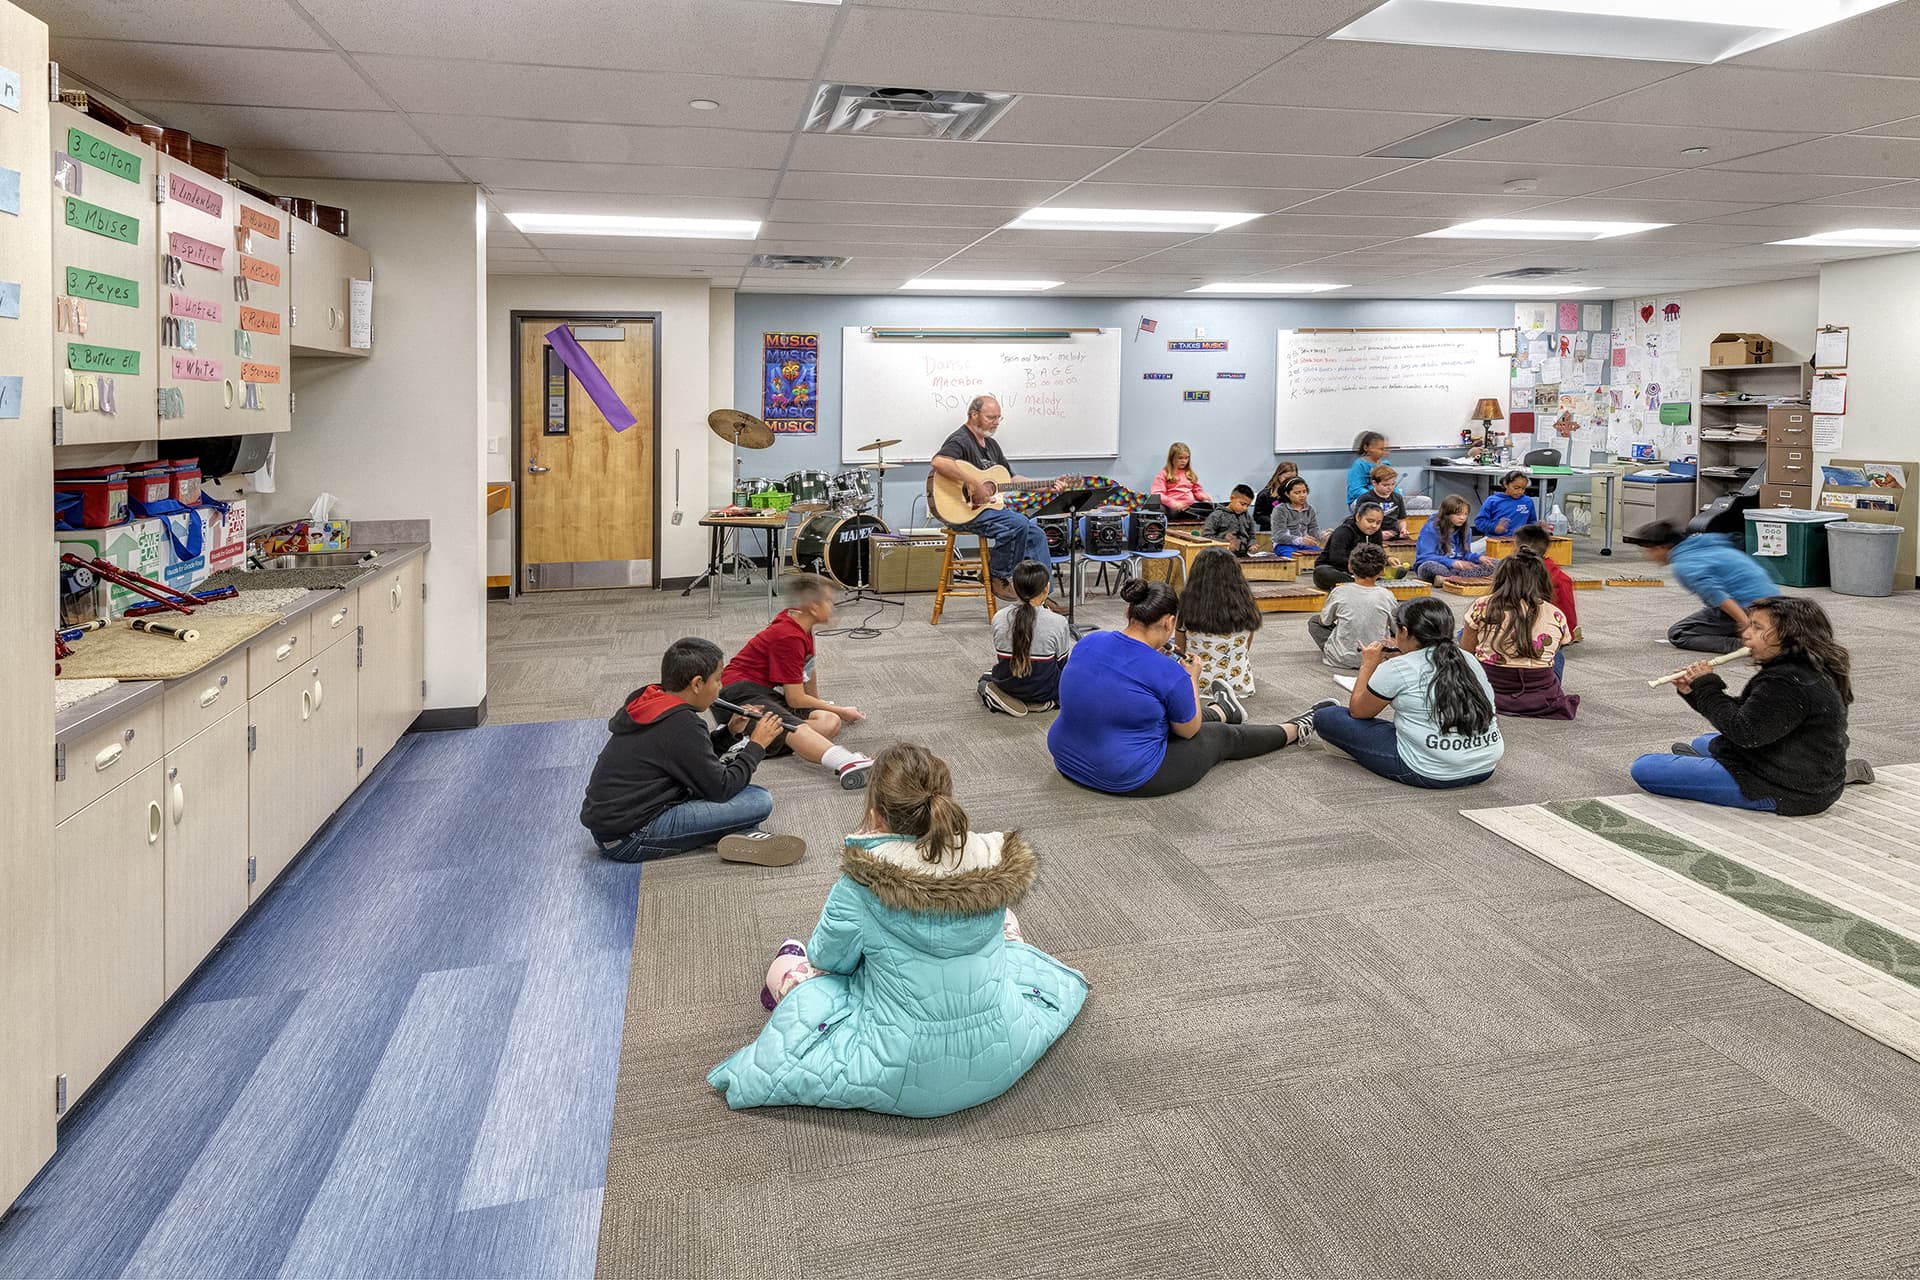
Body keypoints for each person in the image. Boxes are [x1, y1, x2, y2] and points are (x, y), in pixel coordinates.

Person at [707, 743, 1088, 1117]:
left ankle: (783, 981)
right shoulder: (990, 866)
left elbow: (829, 960)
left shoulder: (860, 885)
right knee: (1003, 926)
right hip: (1004, 1050)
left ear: (876, 817)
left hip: (901, 1069)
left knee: (795, 960)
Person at [1048, 578, 1326, 797]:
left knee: (1153, 710)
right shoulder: (1169, 671)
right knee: (1219, 736)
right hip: (1126, 775)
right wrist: (1191, 678)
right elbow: (1188, 730)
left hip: (1066, 758)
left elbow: (1112, 688)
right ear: (1169, 622)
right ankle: (1295, 728)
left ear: (1128, 612)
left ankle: (1222, 709)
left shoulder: (1088, 641)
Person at [1632, 597, 1874, 814]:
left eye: (1757, 627)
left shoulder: (1787, 681)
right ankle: (1710, 765)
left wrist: (1707, 687)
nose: (1746, 634)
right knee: (1704, 742)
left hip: (1788, 789)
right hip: (1804, 763)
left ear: (1789, 635)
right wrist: (1694, 692)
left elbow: (1744, 733)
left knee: (1645, 767)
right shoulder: (1810, 666)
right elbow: (1754, 715)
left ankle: (1715, 769)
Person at [580, 637, 806, 865]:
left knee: (730, 789)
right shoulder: (682, 724)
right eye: (717, 679)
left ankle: (737, 832)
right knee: (758, 800)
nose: (721, 687)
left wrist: (730, 732)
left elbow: (690, 759)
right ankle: (738, 831)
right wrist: (756, 745)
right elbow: (722, 788)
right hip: (631, 837)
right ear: (697, 684)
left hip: (620, 823)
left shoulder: (652, 701)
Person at [1313, 597, 1504, 789]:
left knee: (1327, 716)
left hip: (1429, 771)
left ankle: (1355, 751)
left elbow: (1359, 711)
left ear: (1404, 631)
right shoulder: (1467, 658)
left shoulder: (1398, 667)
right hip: (1484, 766)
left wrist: (1368, 665)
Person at [721, 573, 873, 788]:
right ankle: (844, 761)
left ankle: (755, 737)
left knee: (829, 722)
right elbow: (795, 699)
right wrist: (841, 709)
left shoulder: (801, 623)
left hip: (765, 692)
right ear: (814, 607)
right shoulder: (788, 636)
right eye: (829, 601)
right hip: (739, 692)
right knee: (793, 726)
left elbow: (808, 669)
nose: (833, 607)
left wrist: (822, 705)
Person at [929, 394, 1066, 602]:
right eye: (990, 417)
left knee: (1037, 534)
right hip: (965, 511)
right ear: (974, 415)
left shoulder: (991, 445)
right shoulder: (961, 439)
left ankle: (1041, 595)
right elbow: (939, 462)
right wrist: (975, 484)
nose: (995, 423)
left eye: (998, 418)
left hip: (988, 511)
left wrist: (1045, 487)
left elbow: (1010, 479)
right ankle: (997, 575)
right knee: (1018, 523)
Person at [1624, 519, 1778, 654]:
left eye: (1648, 551)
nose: (1647, 556)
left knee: (1679, 633)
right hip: (1773, 603)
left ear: (1662, 548)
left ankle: (1748, 644)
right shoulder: (1704, 543)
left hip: (1751, 608)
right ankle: (1763, 632)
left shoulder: (1685, 565)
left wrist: (1746, 625)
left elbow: (1719, 596)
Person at [1460, 552, 1578, 719]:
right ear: (1541, 581)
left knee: (1464, 636)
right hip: (1541, 696)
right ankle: (1533, 697)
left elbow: (1466, 651)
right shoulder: (1555, 613)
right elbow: (1558, 647)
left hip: (1490, 690)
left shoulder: (1482, 605)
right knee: (1558, 656)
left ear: (1501, 578)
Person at [979, 559, 1072, 716]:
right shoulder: (1059, 622)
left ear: (1014, 587)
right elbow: (1062, 664)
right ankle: (1044, 703)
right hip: (1046, 691)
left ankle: (999, 696)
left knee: (984, 679)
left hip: (1009, 686)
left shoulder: (999, 617)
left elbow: (1003, 657)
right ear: (1046, 588)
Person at [1176, 545, 1263, 703]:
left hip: (1196, 683)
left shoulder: (1188, 604)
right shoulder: (1246, 603)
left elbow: (1180, 648)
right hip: (1240, 684)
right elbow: (1246, 645)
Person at [1309, 543, 1395, 670]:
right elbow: (1396, 628)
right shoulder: (1387, 595)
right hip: (1376, 659)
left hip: (1340, 659)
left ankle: (1337, 650)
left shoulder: (1339, 591)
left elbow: (1325, 621)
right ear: (1382, 571)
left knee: (1314, 621)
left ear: (1350, 567)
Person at [1513, 522, 1579, 642]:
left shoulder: (1517, 571)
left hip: (1526, 634)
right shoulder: (1558, 574)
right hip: (1557, 634)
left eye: (1514, 545)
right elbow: (1568, 612)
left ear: (1520, 549)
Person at [1413, 494, 1494, 583]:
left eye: (1465, 514)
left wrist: (1478, 558)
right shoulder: (1430, 529)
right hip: (1435, 566)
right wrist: (1452, 563)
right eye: (1458, 514)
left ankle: (1447, 579)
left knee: (1494, 563)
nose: (1462, 518)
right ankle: (1455, 577)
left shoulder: (1467, 530)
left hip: (1457, 569)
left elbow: (1465, 554)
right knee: (1430, 566)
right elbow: (1425, 557)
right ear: (1447, 514)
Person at [1314, 501, 1388, 591]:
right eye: (1370, 521)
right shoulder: (1344, 531)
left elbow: (1378, 555)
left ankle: (1362, 583)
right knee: (1322, 571)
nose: (1374, 526)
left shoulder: (1377, 533)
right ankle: (1362, 583)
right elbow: (1336, 558)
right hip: (1339, 570)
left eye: (1378, 523)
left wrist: (1388, 560)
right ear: (1358, 517)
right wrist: (1360, 567)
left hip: (1362, 573)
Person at [1150, 441, 1212, 519]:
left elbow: (1197, 490)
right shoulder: (1163, 474)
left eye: (1186, 458)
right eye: (1180, 458)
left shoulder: (1189, 473)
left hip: (1188, 508)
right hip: (1172, 508)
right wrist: (1174, 504)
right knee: (1155, 507)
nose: (1184, 461)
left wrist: (1204, 497)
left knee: (1209, 508)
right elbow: (1157, 494)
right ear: (1172, 458)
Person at [1474, 470, 1538, 537]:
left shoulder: (1527, 501)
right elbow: (1479, 522)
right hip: (1496, 540)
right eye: (1516, 488)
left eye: (1523, 489)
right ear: (1505, 484)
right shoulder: (1492, 501)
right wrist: (1494, 528)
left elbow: (1531, 522)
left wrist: (1537, 528)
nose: (1520, 491)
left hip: (1519, 540)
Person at [1353, 464, 1409, 540]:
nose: (1390, 488)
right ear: (1374, 483)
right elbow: (1359, 522)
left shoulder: (1398, 497)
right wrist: (1378, 534)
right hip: (1373, 535)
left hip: (1394, 534)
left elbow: (1401, 520)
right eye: (1385, 485)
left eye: (1393, 484)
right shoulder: (1365, 498)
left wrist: (1403, 529)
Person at [1200, 484, 1259, 554]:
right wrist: (1225, 543)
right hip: (1222, 555)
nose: (1245, 508)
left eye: (1248, 505)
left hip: (1244, 555)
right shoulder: (1217, 515)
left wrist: (1252, 545)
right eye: (1242, 504)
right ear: (1232, 498)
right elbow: (1206, 537)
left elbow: (1252, 535)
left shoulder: (1247, 517)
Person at [1269, 475, 1322, 551]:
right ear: (1287, 494)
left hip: (1303, 545)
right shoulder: (1280, 509)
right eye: (1297, 493)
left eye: (1304, 492)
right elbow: (1278, 536)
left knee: (1319, 554)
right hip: (1284, 545)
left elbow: (1314, 529)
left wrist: (1323, 536)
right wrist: (1300, 540)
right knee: (1291, 555)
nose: (1302, 495)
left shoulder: (1310, 509)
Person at [1253, 460, 1299, 529]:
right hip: (1270, 531)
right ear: (1278, 476)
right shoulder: (1264, 495)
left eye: (1293, 479)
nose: (1289, 482)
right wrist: (1274, 521)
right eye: (1286, 478)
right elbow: (1257, 517)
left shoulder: (1297, 494)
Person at [1346, 431, 1390, 503]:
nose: (1383, 452)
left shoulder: (1386, 464)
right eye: (1380, 449)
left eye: (1385, 449)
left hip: (1381, 499)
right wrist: (1376, 496)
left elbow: (1392, 485)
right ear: (1366, 447)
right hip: (1363, 500)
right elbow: (1356, 490)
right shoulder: (1359, 465)